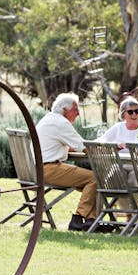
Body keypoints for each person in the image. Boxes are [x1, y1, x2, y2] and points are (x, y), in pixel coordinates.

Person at [35, 92, 109, 233]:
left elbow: (69, 145)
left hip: (40, 169)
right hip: (49, 170)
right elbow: (84, 147)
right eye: (76, 110)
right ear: (65, 109)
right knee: (94, 178)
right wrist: (107, 149)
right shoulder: (61, 123)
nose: (78, 114)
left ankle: (90, 221)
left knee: (90, 182)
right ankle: (78, 218)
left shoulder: (48, 119)